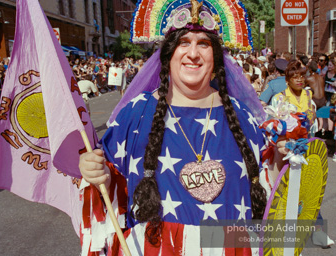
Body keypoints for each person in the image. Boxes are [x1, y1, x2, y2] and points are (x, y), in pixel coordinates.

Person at [78, 1, 312, 255]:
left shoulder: (242, 116)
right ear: (168, 53)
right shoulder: (135, 114)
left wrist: (282, 157)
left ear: (216, 56)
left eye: (203, 43)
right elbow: (112, 192)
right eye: (183, 42)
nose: (193, 53)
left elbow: (264, 192)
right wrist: (93, 169)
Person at [271, 60, 316, 135]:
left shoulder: (308, 94)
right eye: (295, 77)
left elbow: (312, 112)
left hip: (307, 138)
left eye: (302, 77)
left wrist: (312, 115)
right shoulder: (280, 98)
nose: (299, 80)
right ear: (287, 80)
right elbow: (275, 124)